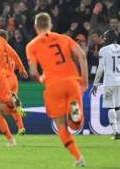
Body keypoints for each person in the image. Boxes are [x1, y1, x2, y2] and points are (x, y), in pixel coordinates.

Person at [26, 13, 88, 167]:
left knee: (61, 124)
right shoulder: (64, 38)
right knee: (77, 125)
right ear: (50, 25)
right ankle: (75, 115)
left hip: (53, 85)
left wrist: (40, 79)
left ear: (35, 27)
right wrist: (85, 80)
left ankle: (79, 158)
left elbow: (33, 72)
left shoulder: (32, 45)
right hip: (72, 81)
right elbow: (81, 56)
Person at [0, 29, 26, 135]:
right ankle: (21, 127)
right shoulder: (10, 49)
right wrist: (22, 69)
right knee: (12, 108)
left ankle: (16, 103)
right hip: (13, 77)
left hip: (5, 79)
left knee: (4, 103)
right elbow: (16, 61)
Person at [92, 29, 120, 140]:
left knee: (110, 107)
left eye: (105, 37)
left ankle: (116, 131)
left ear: (108, 38)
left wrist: (95, 83)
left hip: (109, 82)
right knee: (118, 107)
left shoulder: (103, 50)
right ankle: (119, 130)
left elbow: (100, 68)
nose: (103, 39)